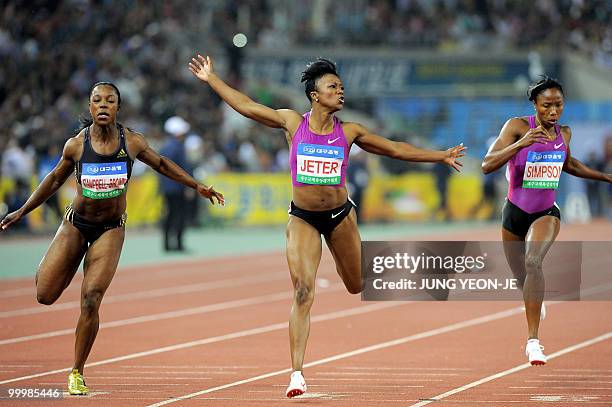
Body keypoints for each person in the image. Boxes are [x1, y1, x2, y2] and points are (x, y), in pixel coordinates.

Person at [189, 55, 466, 397]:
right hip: (303, 218)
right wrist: (212, 78)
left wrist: (438, 155)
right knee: (303, 292)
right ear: (315, 95)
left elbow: (394, 149)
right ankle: (296, 374)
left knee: (356, 283)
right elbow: (246, 106)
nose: (341, 91)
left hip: (339, 217)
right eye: (333, 86)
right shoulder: (292, 123)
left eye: (341, 86)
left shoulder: (349, 131)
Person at [0, 82, 224, 395]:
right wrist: (22, 211)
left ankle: (76, 371)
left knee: (91, 297)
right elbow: (52, 180)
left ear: (118, 107)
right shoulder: (76, 145)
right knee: (45, 294)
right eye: (97, 100)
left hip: (111, 227)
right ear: (90, 107)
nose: (103, 105)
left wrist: (197, 185)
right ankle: (65, 262)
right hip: (76, 224)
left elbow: (161, 164)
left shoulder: (131, 141)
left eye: (110, 100)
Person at [482, 77, 611, 366]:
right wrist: (522, 144)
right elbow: (487, 165)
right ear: (534, 105)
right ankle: (532, 300)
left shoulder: (564, 133)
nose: (553, 111)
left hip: (546, 212)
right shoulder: (516, 127)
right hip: (513, 213)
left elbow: (569, 164)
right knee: (522, 277)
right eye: (546, 106)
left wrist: (605, 177)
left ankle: (533, 343)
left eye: (559, 105)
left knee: (533, 262)